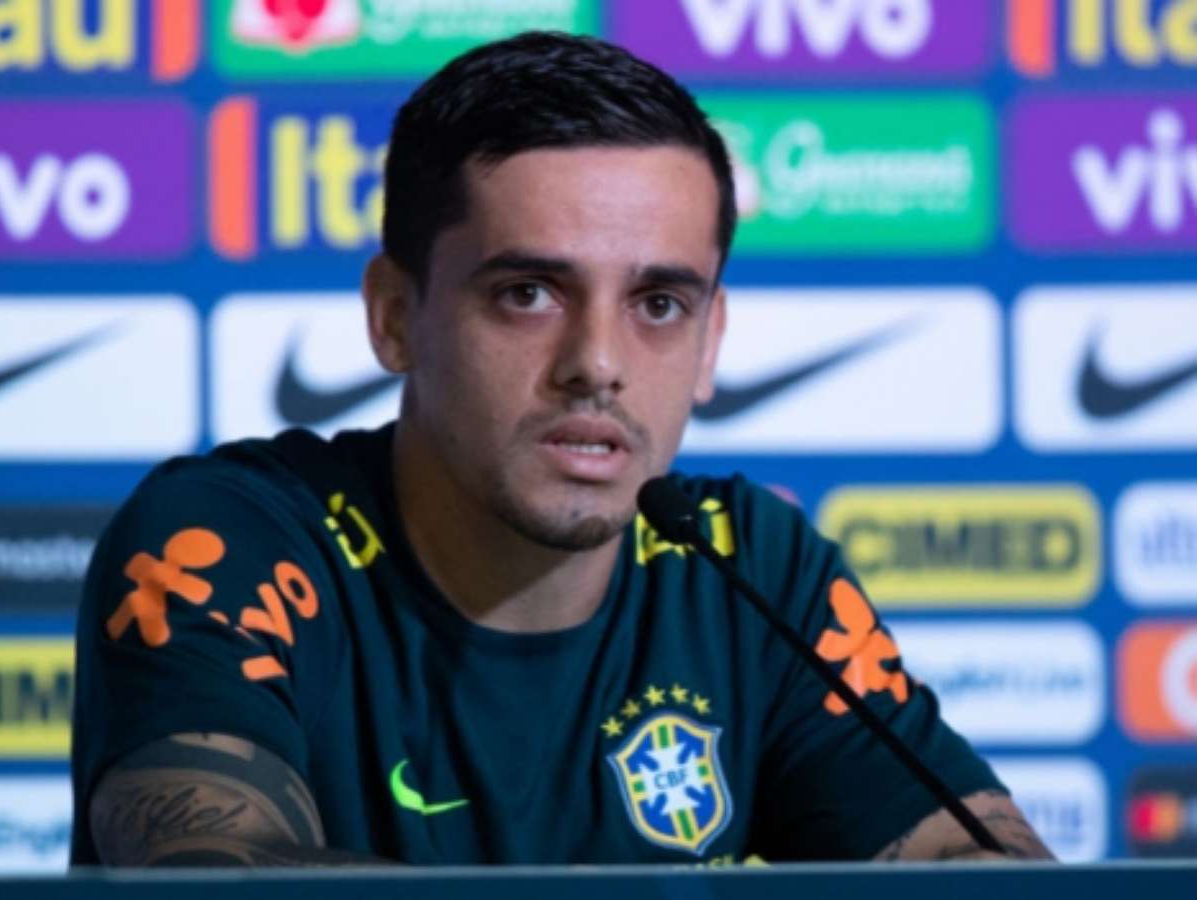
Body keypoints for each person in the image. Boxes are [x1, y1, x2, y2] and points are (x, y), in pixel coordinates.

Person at [70, 31, 1050, 867]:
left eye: (658, 304)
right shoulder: (230, 540)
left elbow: (981, 870)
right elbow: (211, 873)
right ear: (395, 315)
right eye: (528, 294)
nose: (598, 365)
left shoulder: (751, 570)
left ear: (711, 342)